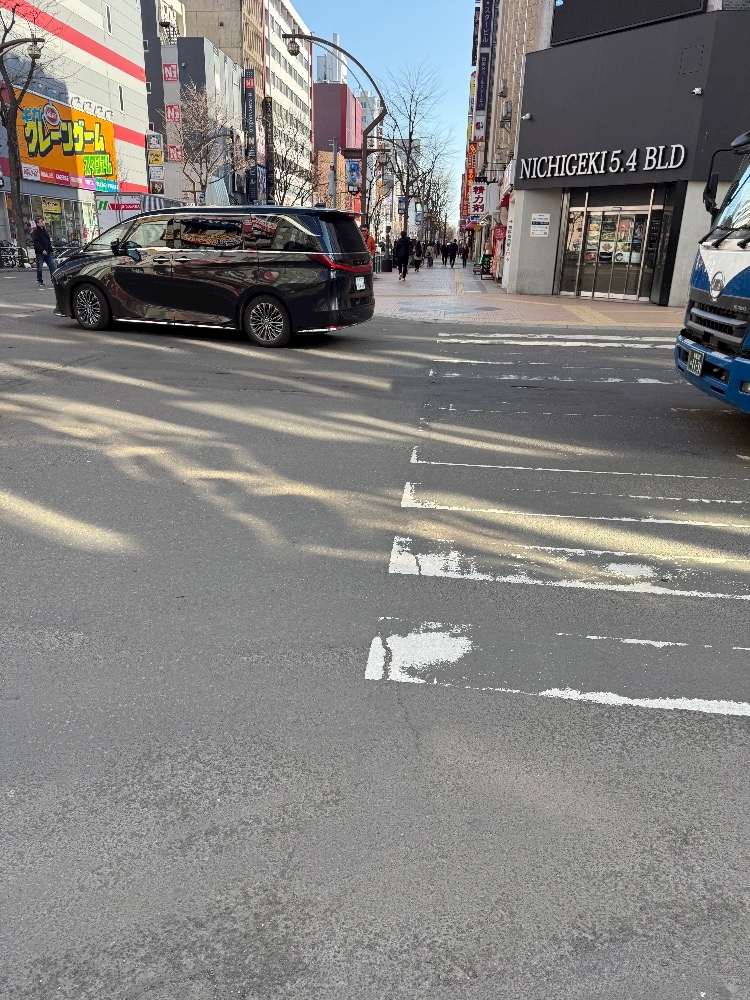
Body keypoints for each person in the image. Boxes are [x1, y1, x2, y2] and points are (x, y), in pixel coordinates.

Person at [31, 217, 55, 287]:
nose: (43, 222)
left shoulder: (45, 231)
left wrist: (51, 250)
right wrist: (42, 250)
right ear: (37, 224)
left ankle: (53, 280)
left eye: (43, 221)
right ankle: (40, 281)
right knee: (39, 267)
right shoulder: (36, 232)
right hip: (40, 253)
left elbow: (48, 242)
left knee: (52, 266)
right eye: (41, 221)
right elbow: (36, 242)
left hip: (47, 252)